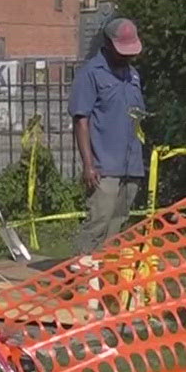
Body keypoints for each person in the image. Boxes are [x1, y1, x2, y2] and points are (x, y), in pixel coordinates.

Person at [69, 17, 146, 256]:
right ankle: (80, 280)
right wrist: (88, 164)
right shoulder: (91, 74)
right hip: (104, 168)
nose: (126, 56)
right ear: (108, 44)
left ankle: (106, 281)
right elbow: (81, 120)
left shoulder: (133, 75)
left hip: (131, 166)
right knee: (98, 224)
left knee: (119, 226)